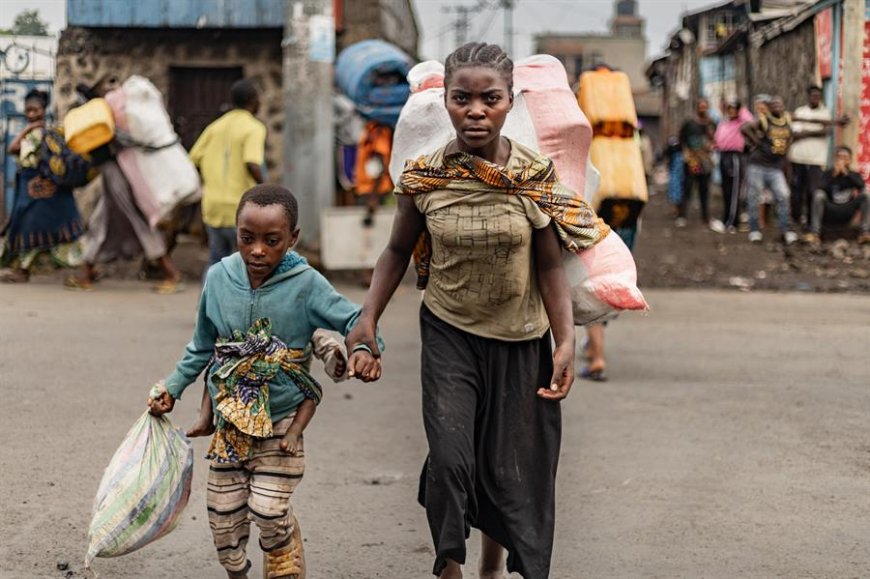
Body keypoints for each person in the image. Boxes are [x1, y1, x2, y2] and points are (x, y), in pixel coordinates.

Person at [345, 42, 608, 579]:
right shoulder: (424, 178)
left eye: (490, 98)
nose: (475, 110)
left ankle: (491, 565)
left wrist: (564, 339)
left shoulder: (534, 177)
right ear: (446, 102)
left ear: (511, 101)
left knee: (509, 467)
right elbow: (396, 252)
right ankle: (449, 564)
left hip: (520, 338)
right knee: (450, 457)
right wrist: (366, 318)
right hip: (450, 332)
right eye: (462, 98)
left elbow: (550, 267)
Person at [147, 184, 381, 579]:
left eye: (271, 241)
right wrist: (171, 387)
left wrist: (366, 350)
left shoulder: (307, 284)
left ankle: (284, 543)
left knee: (269, 510)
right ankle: (237, 571)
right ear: (235, 232)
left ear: (292, 239)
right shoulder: (219, 278)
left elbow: (354, 320)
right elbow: (202, 346)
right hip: (229, 424)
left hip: (283, 421)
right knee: (223, 519)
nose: (257, 250)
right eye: (246, 238)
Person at [0, 89, 84, 283]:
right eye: (28, 110)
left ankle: (82, 268)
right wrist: (29, 128)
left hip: (39, 191)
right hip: (37, 191)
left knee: (30, 227)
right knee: (37, 227)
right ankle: (25, 269)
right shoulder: (41, 132)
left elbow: (13, 149)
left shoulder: (42, 134)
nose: (31, 115)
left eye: (35, 110)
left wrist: (29, 129)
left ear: (43, 110)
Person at [189, 78, 267, 272]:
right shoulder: (254, 127)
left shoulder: (214, 127)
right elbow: (252, 163)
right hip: (241, 208)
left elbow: (193, 158)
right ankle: (241, 303)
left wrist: (210, 179)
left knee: (216, 262)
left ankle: (209, 303)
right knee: (246, 266)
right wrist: (267, 191)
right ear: (252, 100)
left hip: (213, 206)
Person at [789, 85, 849, 229]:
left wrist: (806, 130)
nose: (815, 98)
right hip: (798, 157)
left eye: (818, 96)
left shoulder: (825, 114)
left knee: (813, 190)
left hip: (816, 159)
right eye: (813, 95)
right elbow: (794, 134)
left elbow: (826, 131)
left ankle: (811, 222)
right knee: (796, 190)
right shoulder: (800, 111)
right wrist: (815, 130)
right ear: (808, 96)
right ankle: (795, 219)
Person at [741, 95, 798, 244]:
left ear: (783, 105)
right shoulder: (764, 120)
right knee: (754, 197)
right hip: (757, 166)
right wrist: (758, 143)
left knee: (784, 195)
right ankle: (754, 230)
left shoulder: (787, 119)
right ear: (770, 108)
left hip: (774, 168)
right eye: (773, 105)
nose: (777, 107)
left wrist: (834, 122)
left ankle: (786, 229)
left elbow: (806, 122)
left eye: (779, 104)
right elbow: (745, 128)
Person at [803, 146, 870, 245]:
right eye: (839, 157)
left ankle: (864, 233)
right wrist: (834, 175)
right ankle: (815, 233)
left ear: (850, 160)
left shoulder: (854, 174)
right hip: (831, 208)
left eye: (844, 157)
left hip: (847, 209)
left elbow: (861, 186)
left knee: (866, 195)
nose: (841, 160)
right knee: (819, 194)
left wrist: (846, 173)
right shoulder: (828, 174)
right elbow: (820, 187)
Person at [678, 98, 721, 231]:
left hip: (705, 161)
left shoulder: (712, 124)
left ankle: (705, 216)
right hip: (692, 161)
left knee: (704, 188)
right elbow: (681, 139)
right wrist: (686, 152)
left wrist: (712, 147)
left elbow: (717, 139)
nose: (703, 109)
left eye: (705, 107)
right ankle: (682, 215)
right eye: (700, 106)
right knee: (688, 187)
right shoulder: (689, 123)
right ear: (697, 108)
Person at [714, 98, 753, 232]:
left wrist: (739, 106)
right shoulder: (724, 123)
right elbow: (717, 139)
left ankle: (732, 222)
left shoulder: (741, 122)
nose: (731, 111)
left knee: (734, 190)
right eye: (729, 108)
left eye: (734, 109)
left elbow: (749, 119)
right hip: (723, 155)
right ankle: (726, 219)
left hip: (735, 156)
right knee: (725, 189)